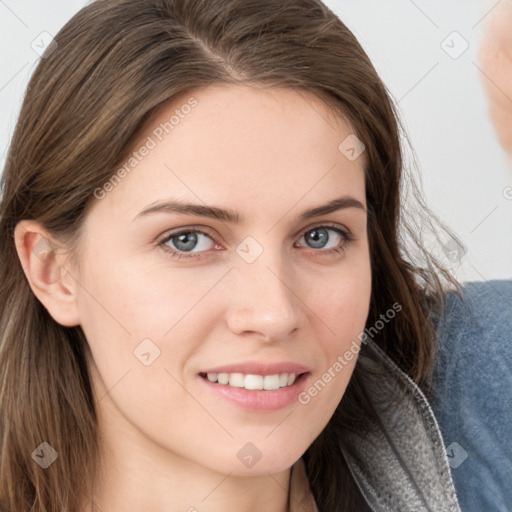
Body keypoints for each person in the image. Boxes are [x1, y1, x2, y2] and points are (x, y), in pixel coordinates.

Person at [0, 0, 509, 511]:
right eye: (188, 240)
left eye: (320, 236)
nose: (274, 314)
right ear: (53, 270)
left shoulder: (485, 385)